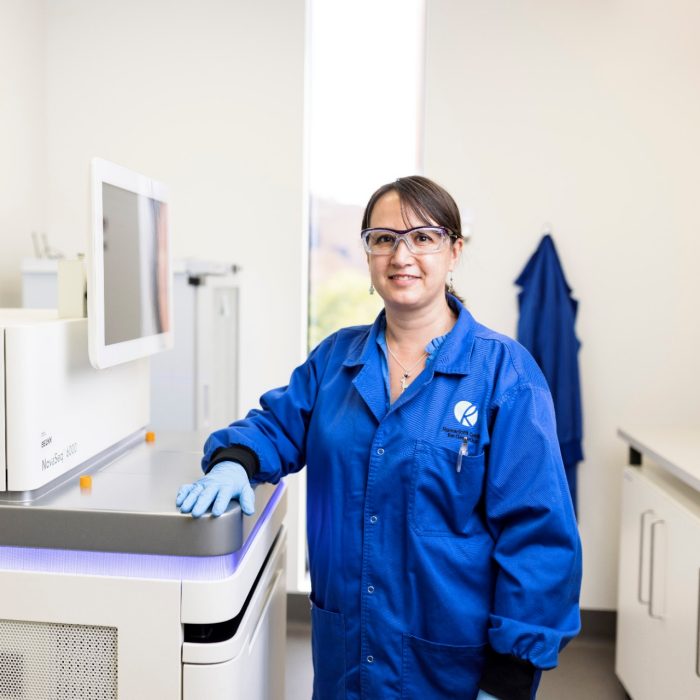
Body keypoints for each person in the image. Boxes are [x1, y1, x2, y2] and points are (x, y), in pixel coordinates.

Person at [176, 176, 582, 700]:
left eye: (423, 237)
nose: (401, 254)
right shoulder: (335, 362)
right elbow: (276, 426)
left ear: (455, 251)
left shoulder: (505, 374)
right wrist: (235, 460)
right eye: (384, 238)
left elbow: (539, 534)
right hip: (348, 655)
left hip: (450, 668)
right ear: (368, 254)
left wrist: (508, 677)